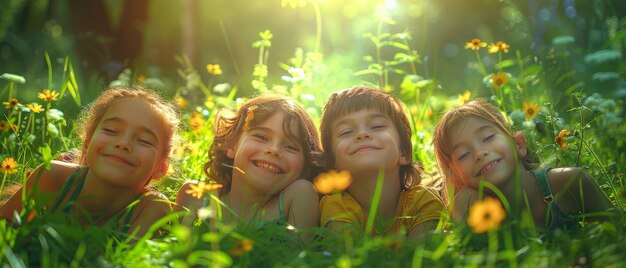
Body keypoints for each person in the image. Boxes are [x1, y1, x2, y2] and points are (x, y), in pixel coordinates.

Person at [0, 86, 179, 237]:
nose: (123, 144)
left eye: (144, 141)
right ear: (87, 143)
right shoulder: (52, 176)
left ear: (161, 167)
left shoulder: (151, 207)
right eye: (111, 130)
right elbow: (5, 229)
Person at [432, 99, 617, 231]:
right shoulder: (471, 211)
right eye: (464, 154)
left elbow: (619, 237)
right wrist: (462, 207)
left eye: (488, 137)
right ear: (455, 178)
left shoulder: (570, 182)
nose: (479, 153)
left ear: (519, 144)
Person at [175, 95, 321, 233]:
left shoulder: (300, 196)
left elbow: (298, 258)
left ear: (305, 166)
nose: (274, 150)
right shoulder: (194, 196)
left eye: (291, 147)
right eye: (261, 137)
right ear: (231, 145)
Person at [318, 86, 445, 238]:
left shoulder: (423, 201)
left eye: (377, 126)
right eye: (346, 132)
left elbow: (423, 256)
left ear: (403, 152)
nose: (362, 134)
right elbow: (350, 259)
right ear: (333, 163)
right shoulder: (335, 206)